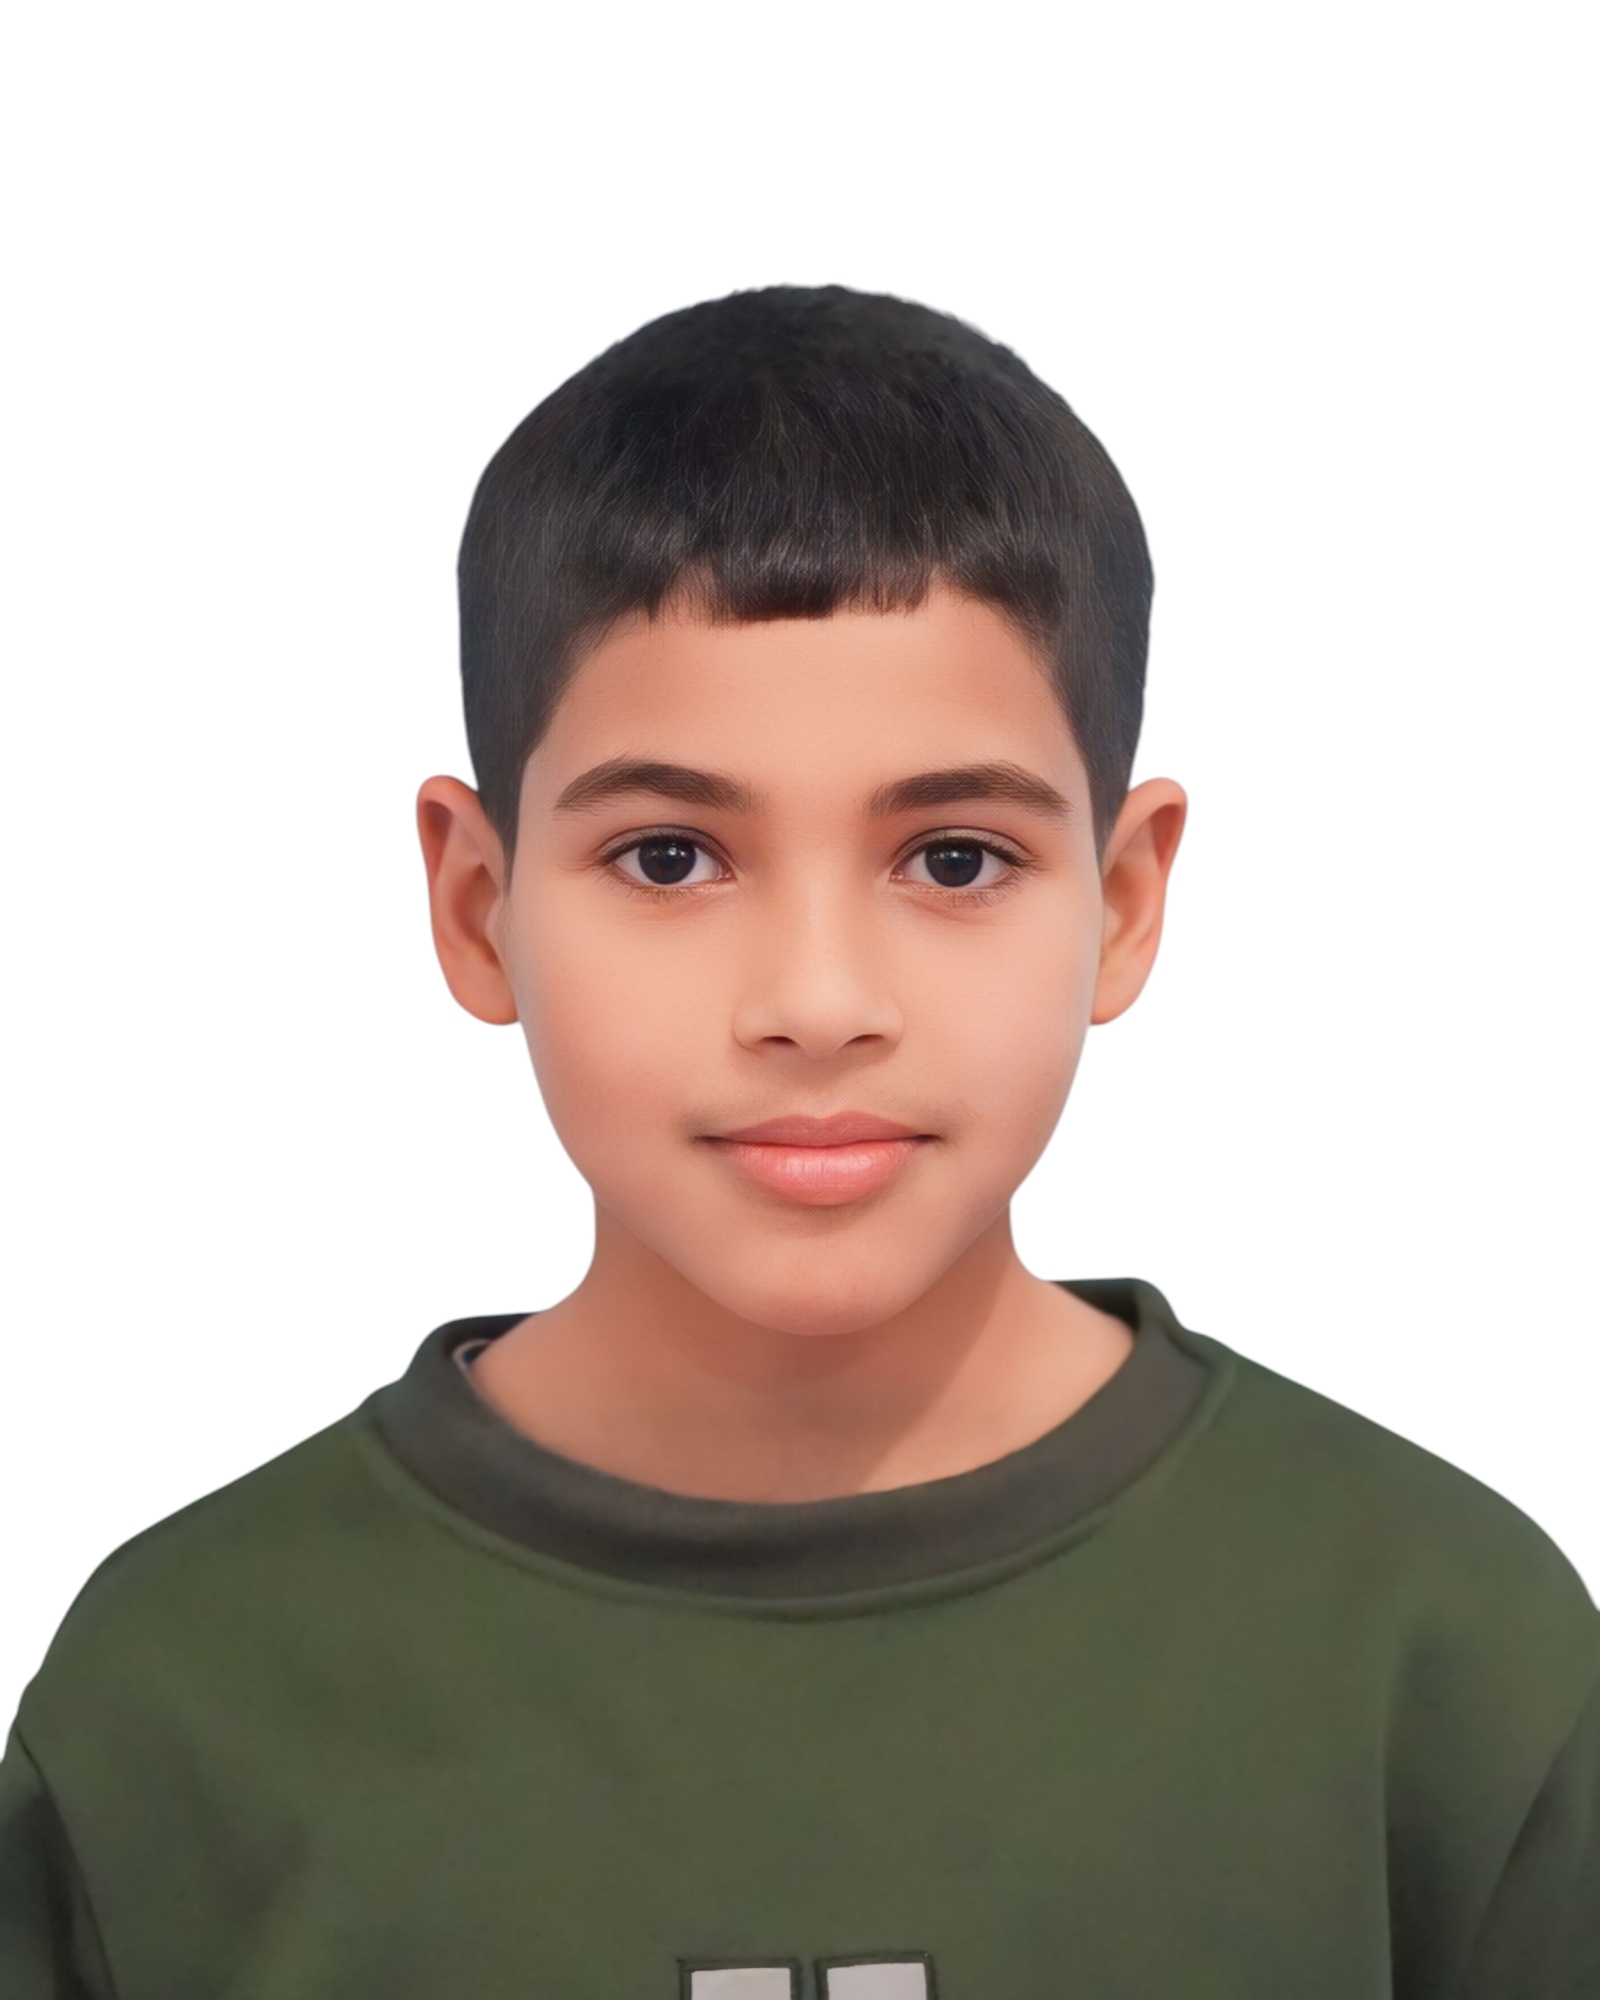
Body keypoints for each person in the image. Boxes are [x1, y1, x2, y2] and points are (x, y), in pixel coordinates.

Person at [1, 286, 1594, 2000]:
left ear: (1125, 903)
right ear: (476, 905)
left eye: (956, 859)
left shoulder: (1439, 1659)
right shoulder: (181, 1701)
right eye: (671, 858)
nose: (818, 1003)